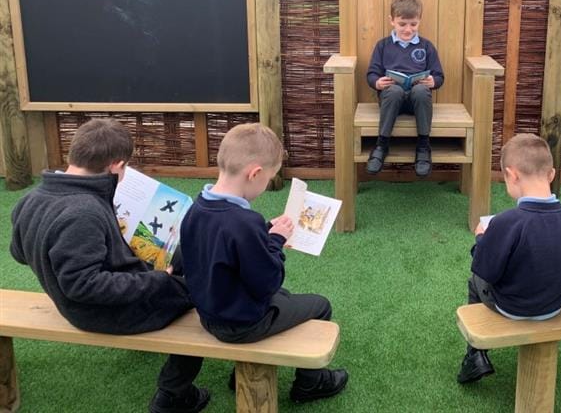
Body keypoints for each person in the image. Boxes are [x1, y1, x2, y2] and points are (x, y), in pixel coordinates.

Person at [10, 118, 208, 413]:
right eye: (125, 169)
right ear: (116, 165)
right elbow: (83, 286)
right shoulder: (84, 212)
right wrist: (159, 279)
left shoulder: (31, 199)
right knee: (205, 291)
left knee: (183, 254)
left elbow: (19, 253)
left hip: (82, 302)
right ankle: (173, 394)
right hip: (104, 312)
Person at [179, 123, 348, 402]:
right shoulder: (245, 223)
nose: (266, 185)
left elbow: (221, 248)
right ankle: (311, 383)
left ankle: (239, 373)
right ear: (255, 173)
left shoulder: (196, 209)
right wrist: (276, 241)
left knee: (285, 297)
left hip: (209, 313)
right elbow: (268, 281)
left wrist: (266, 231)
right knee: (320, 305)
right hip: (242, 323)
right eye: (269, 179)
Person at [457, 134, 561, 384]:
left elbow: (485, 269)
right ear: (551, 174)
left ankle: (475, 355)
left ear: (511, 175)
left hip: (513, 307)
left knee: (475, 281)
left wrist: (481, 239)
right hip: (556, 305)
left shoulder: (507, 221)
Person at [365, 0, 444, 177]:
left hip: (417, 103)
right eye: (402, 24)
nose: (408, 30)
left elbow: (439, 76)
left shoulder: (426, 46)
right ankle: (381, 145)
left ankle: (423, 146)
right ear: (392, 21)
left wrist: (433, 81)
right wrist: (377, 82)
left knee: (421, 90)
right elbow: (371, 74)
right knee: (394, 91)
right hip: (391, 101)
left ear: (419, 21)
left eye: (413, 24)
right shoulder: (383, 46)